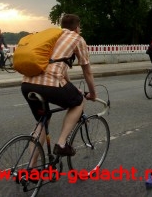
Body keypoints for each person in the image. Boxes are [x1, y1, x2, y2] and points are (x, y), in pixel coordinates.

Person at [21, 14, 97, 156]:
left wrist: (71, 87)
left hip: (27, 83)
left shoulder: (51, 36)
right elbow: (87, 72)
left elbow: (59, 67)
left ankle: (31, 169)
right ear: (77, 28)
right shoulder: (77, 38)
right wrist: (93, 93)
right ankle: (61, 144)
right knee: (78, 102)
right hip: (50, 84)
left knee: (42, 122)